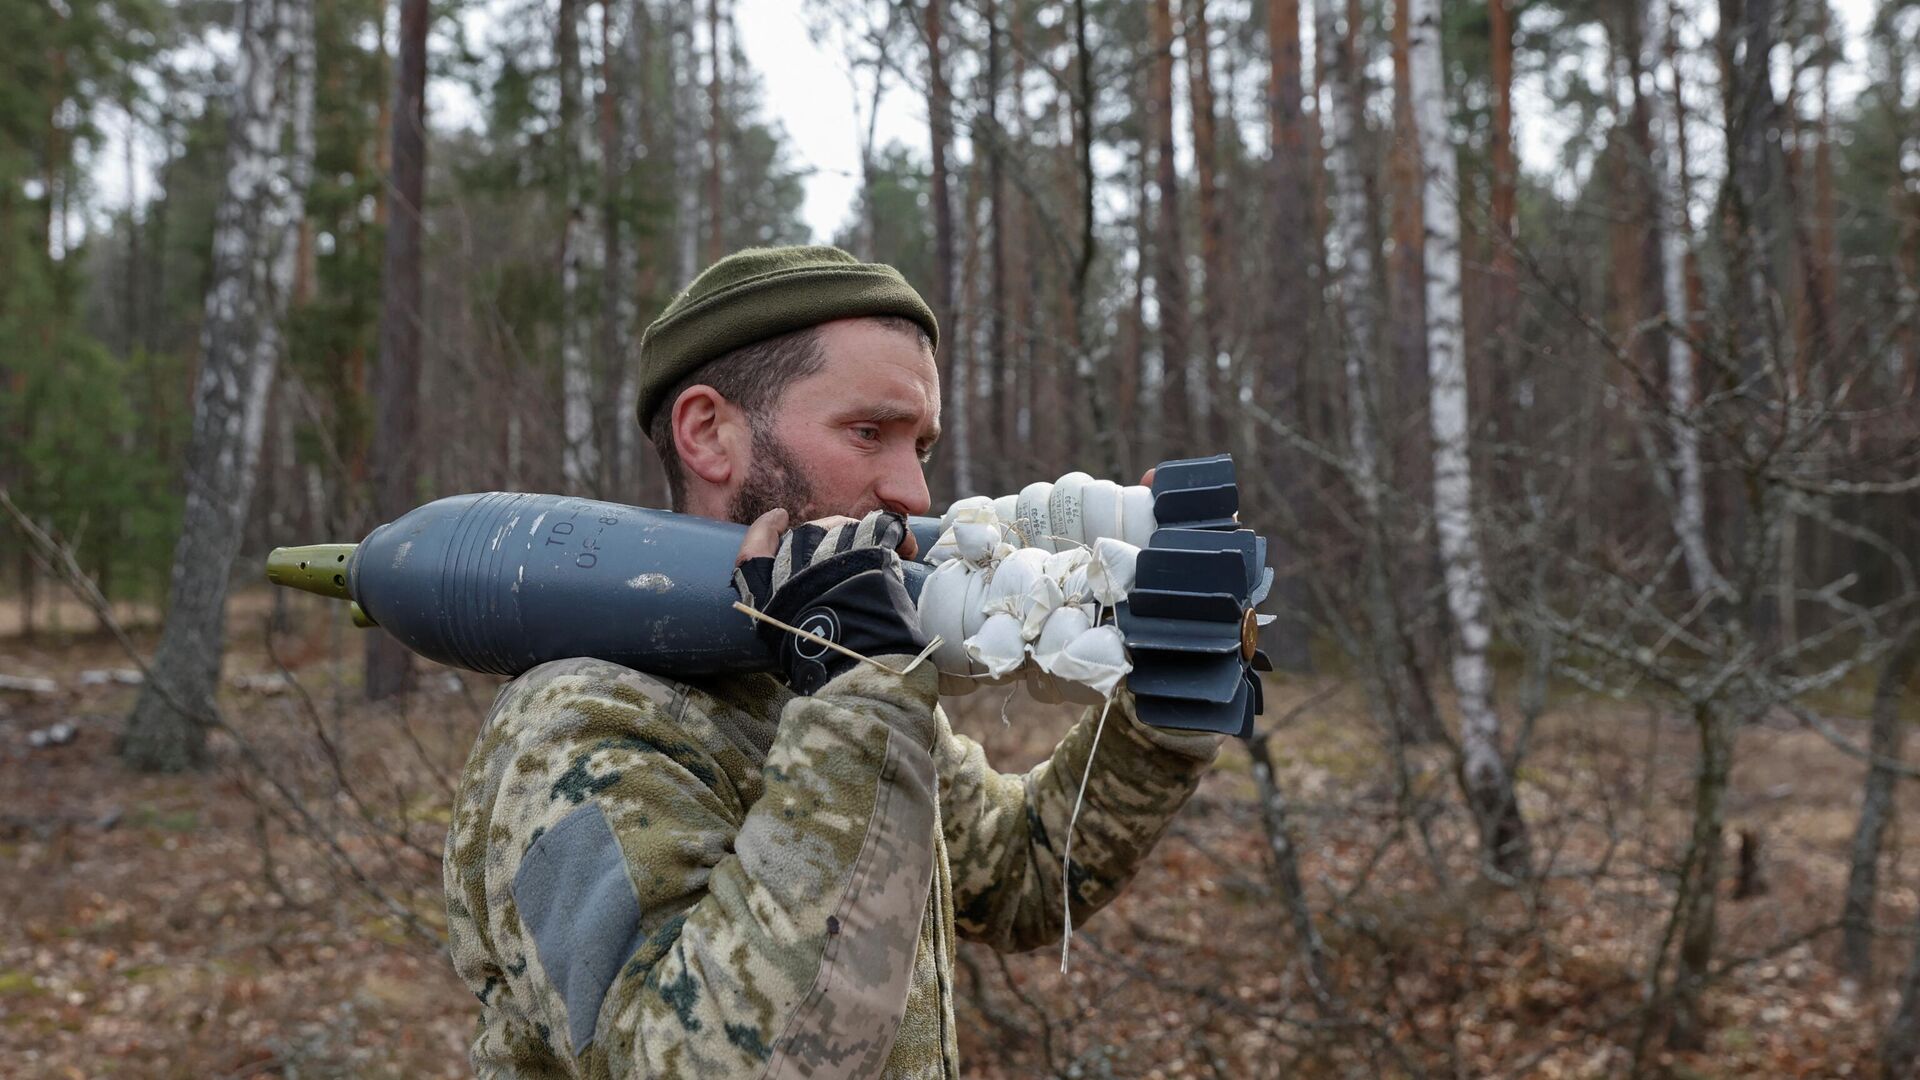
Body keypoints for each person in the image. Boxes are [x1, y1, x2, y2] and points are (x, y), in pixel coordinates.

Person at [443, 245, 1225, 1078]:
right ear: (709, 434)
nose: (914, 492)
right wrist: (862, 701)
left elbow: (1020, 872)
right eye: (868, 433)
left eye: (919, 444)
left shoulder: (818, 669)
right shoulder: (576, 725)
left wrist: (1162, 704)